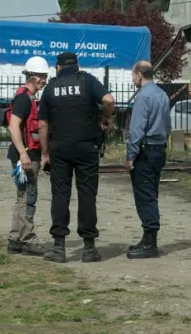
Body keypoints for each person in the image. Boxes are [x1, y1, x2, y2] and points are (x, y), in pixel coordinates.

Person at [38, 52, 115, 263]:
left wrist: (45, 154)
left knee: (60, 194)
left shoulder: (50, 87)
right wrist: (106, 118)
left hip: (60, 148)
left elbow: (42, 124)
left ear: (58, 67)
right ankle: (89, 248)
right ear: (78, 65)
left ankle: (59, 247)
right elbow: (108, 99)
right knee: (87, 195)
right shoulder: (87, 80)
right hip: (86, 147)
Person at [124, 60, 171, 259]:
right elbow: (167, 125)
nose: (133, 79)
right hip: (159, 149)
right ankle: (147, 237)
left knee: (145, 196)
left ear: (139, 75)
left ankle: (150, 242)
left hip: (145, 151)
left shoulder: (143, 97)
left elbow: (136, 130)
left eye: (133, 75)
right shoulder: (162, 94)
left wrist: (130, 155)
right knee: (152, 191)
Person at [7, 56, 50, 256]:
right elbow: (13, 125)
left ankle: (15, 239)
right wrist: (23, 154)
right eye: (42, 76)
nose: (44, 80)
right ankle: (26, 240)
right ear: (31, 77)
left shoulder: (27, 97)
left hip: (25, 154)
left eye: (45, 76)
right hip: (26, 156)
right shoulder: (25, 99)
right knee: (27, 197)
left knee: (22, 196)